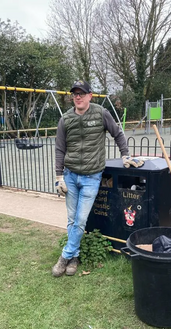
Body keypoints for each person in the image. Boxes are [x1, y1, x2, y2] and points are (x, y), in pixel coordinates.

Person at [52, 80, 144, 277]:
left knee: (81, 218)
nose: (77, 97)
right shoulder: (65, 119)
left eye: (81, 93)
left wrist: (125, 155)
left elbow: (118, 133)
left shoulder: (101, 113)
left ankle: (64, 256)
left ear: (90, 95)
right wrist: (59, 176)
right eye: (74, 94)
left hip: (92, 177)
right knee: (71, 219)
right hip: (70, 175)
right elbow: (60, 149)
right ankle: (74, 257)